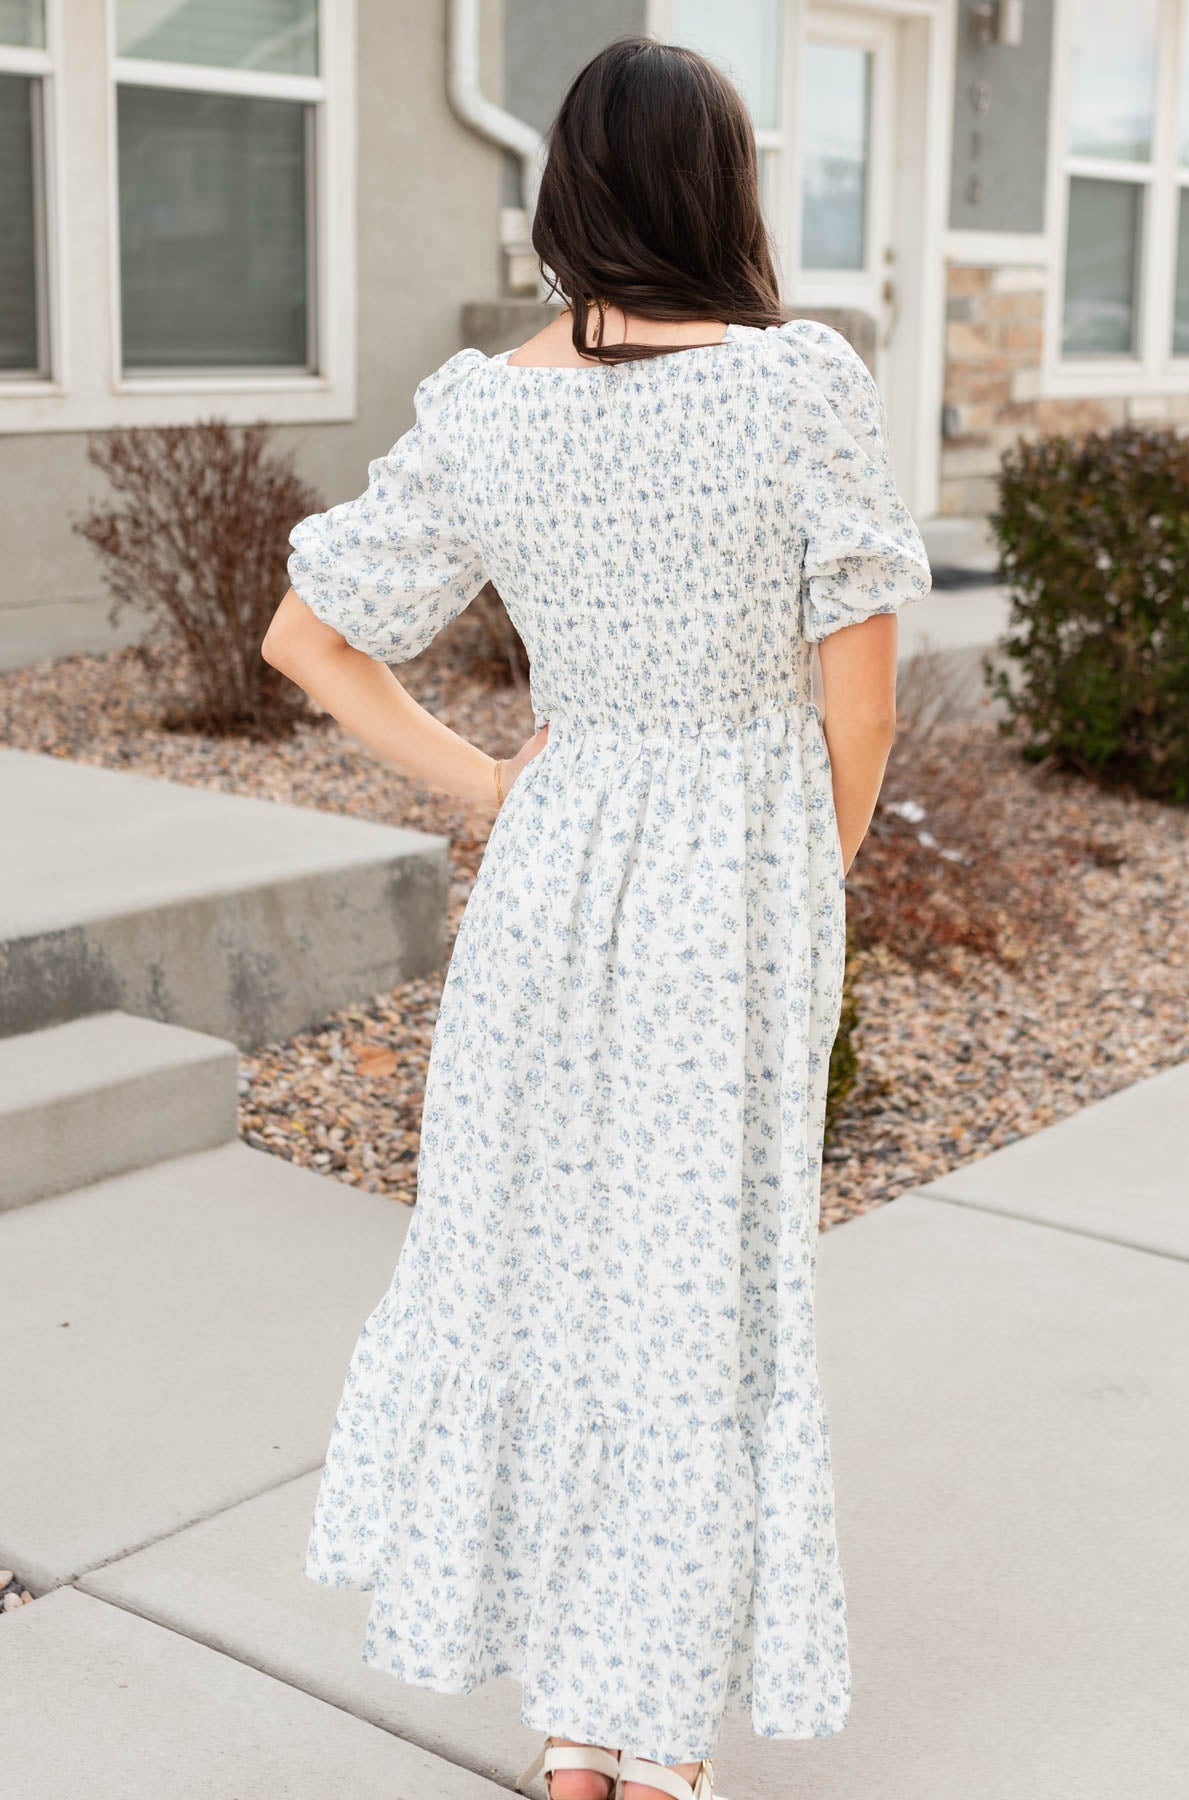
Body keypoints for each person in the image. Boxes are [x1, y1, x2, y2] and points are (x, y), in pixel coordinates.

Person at [261, 33, 930, 1800]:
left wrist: (499, 791)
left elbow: (306, 642)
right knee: (699, 1294)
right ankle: (643, 1734)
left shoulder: (483, 405)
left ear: (568, 192)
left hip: (552, 880)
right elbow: (854, 711)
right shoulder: (800, 384)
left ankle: (577, 1721)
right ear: (723, 186)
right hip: (734, 873)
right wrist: (809, 884)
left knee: (540, 1270)